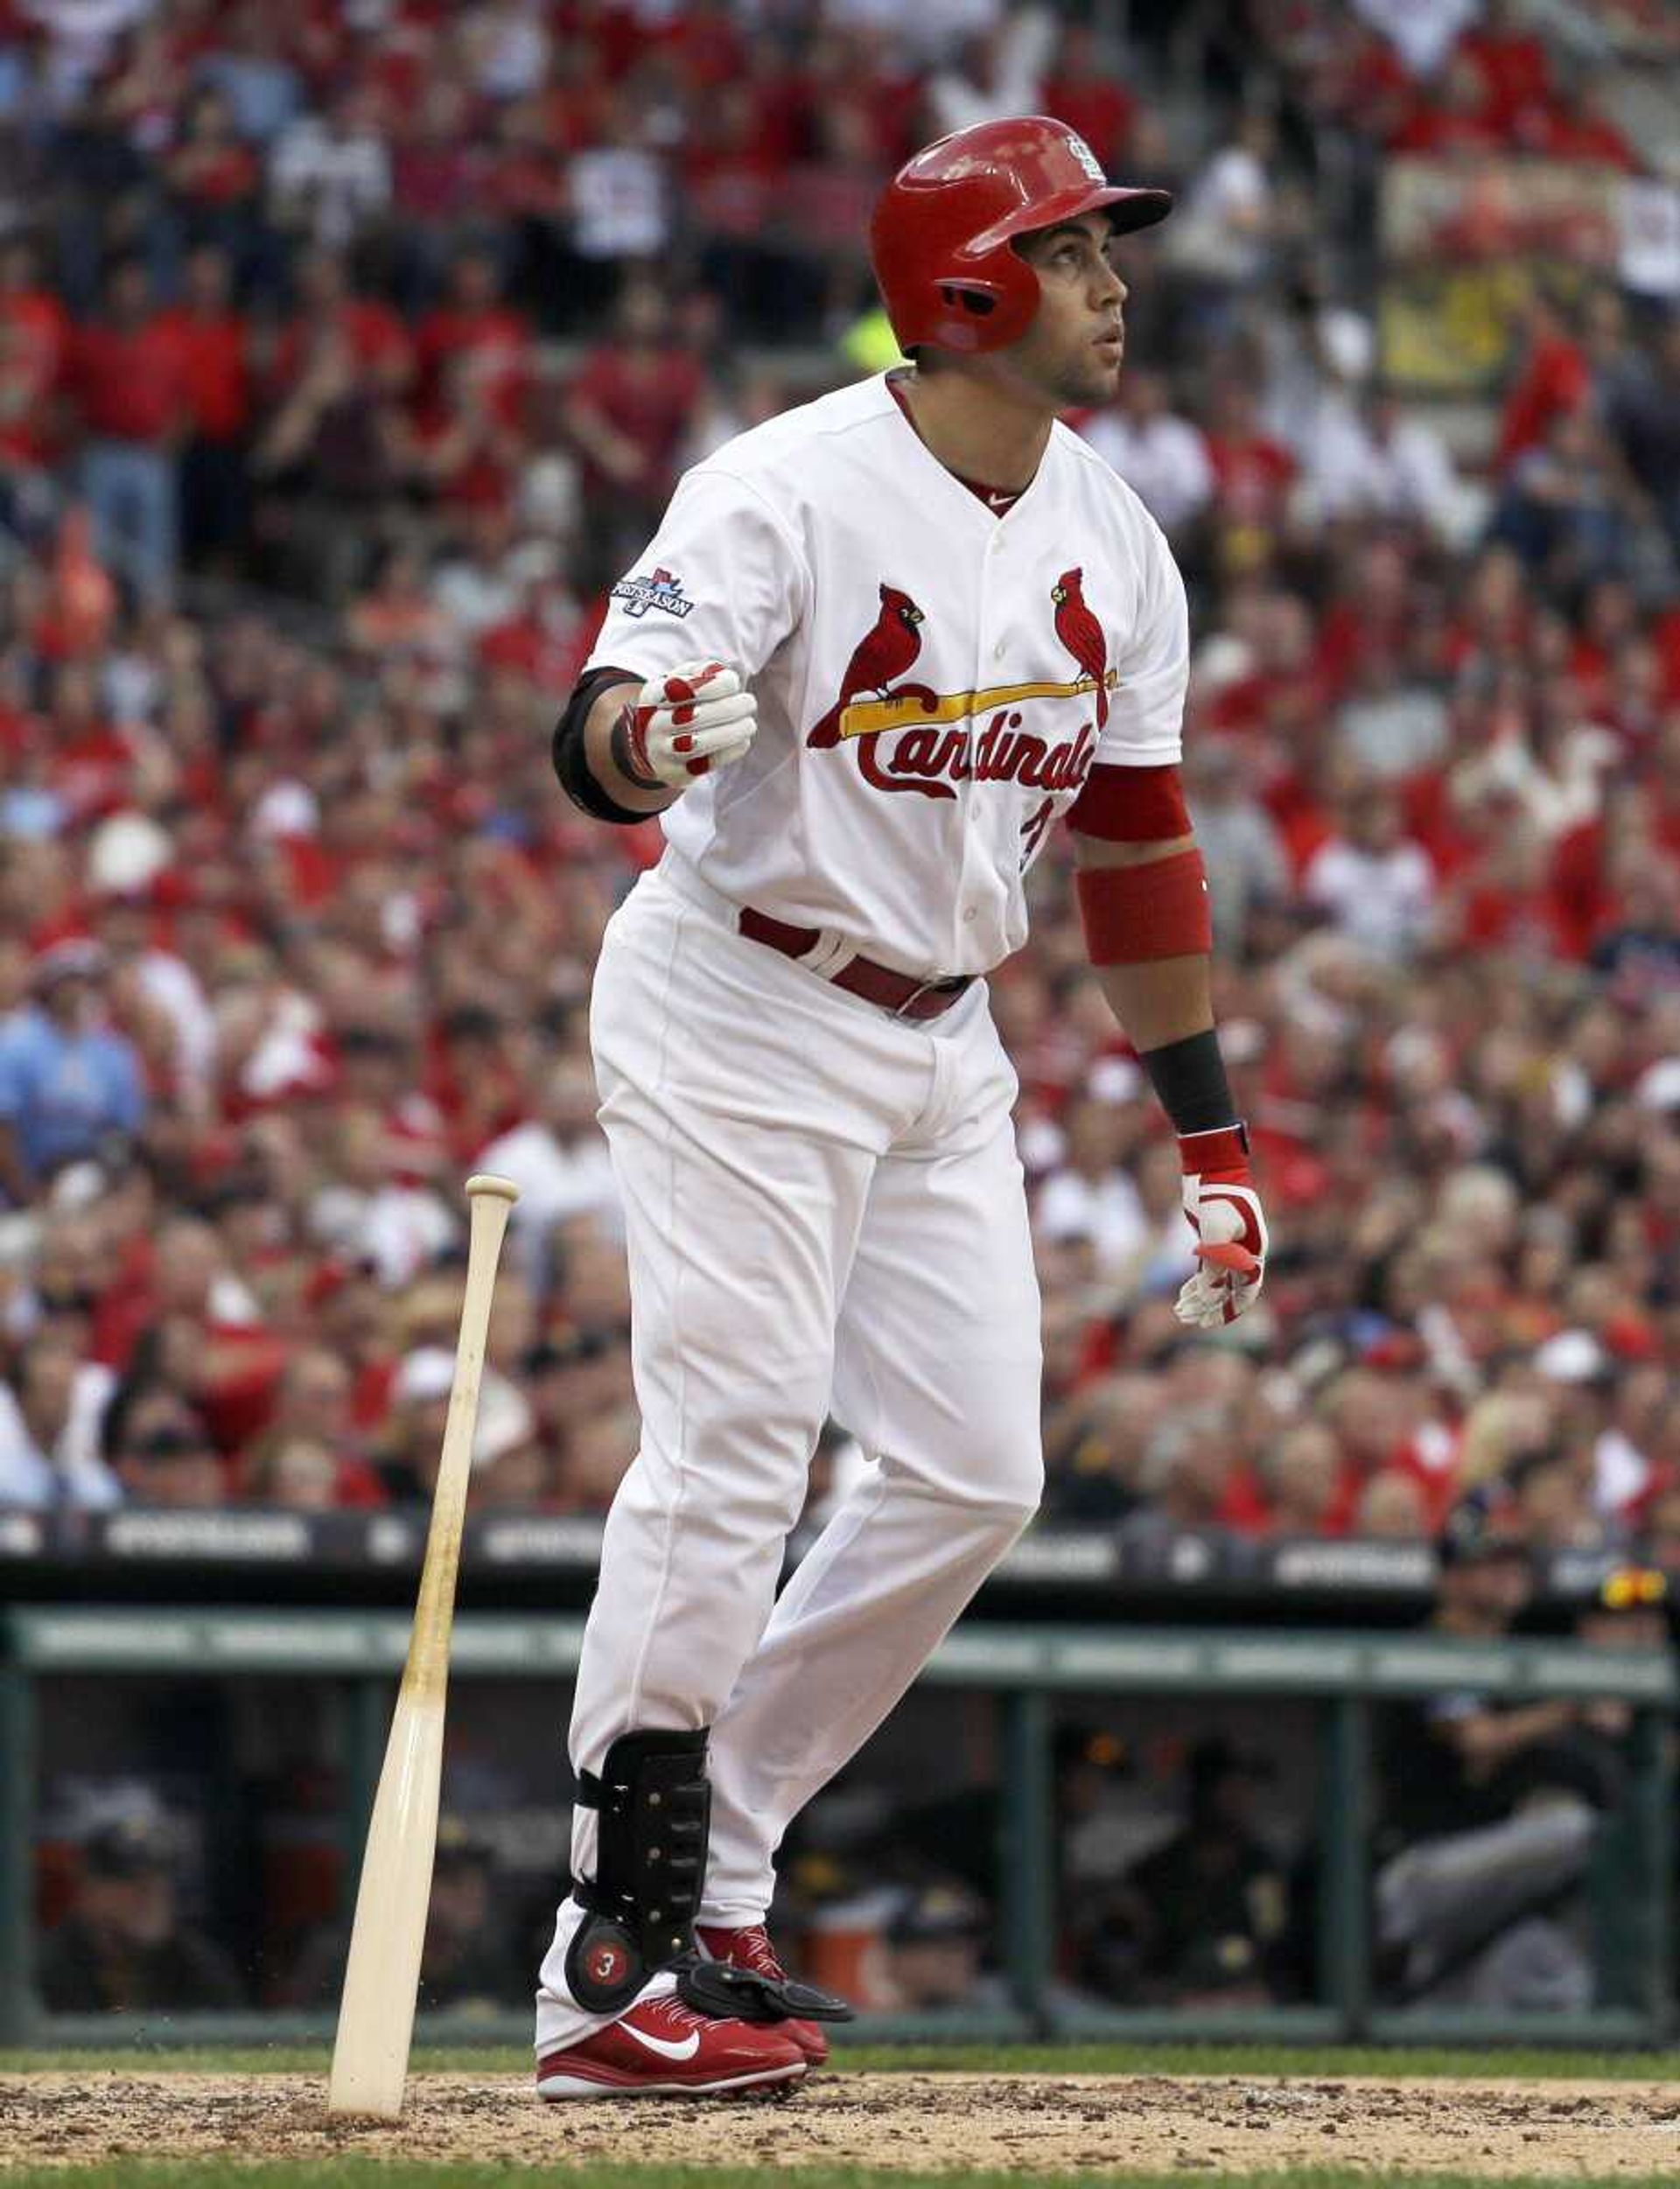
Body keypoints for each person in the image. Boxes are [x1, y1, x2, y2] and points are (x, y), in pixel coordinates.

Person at [536, 114, 1270, 2100]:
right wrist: (642, 734)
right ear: (965, 290)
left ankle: (733, 1869)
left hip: (943, 1037)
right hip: (741, 1000)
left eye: (1111, 253)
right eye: (1075, 253)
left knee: (969, 1469)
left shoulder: (1112, 533)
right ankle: (610, 1967)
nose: (1115, 288)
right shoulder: (781, 488)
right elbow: (599, 737)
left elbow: (1136, 853)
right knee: (731, 1457)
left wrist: (1208, 1139)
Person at [1374, 1483, 1613, 2011]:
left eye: (1517, 1559)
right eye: (1492, 1559)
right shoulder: (1429, 1649)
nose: (1511, 1572)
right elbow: (1477, 1742)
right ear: (1451, 1576)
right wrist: (1572, 1705)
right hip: (1421, 1871)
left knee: (1545, 1965)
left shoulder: (1522, 1664)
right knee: (1581, 1830)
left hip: (1494, 1877)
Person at [37, 1815, 243, 2013]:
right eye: (129, 1880)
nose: (149, 1893)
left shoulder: (196, 1965)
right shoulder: (42, 1969)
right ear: (87, 1890)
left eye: (158, 1878)